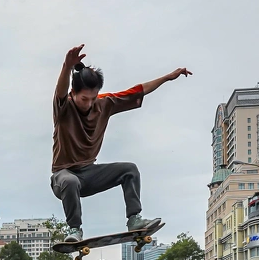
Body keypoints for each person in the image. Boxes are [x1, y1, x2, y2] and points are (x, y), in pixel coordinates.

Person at [50, 44, 190, 242]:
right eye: (83, 99)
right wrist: (66, 66)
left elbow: (137, 91)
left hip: (89, 174)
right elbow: (60, 91)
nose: (89, 104)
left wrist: (167, 77)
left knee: (129, 169)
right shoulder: (63, 107)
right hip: (62, 178)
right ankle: (74, 230)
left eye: (92, 98)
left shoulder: (105, 102)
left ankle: (134, 219)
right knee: (70, 181)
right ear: (73, 93)